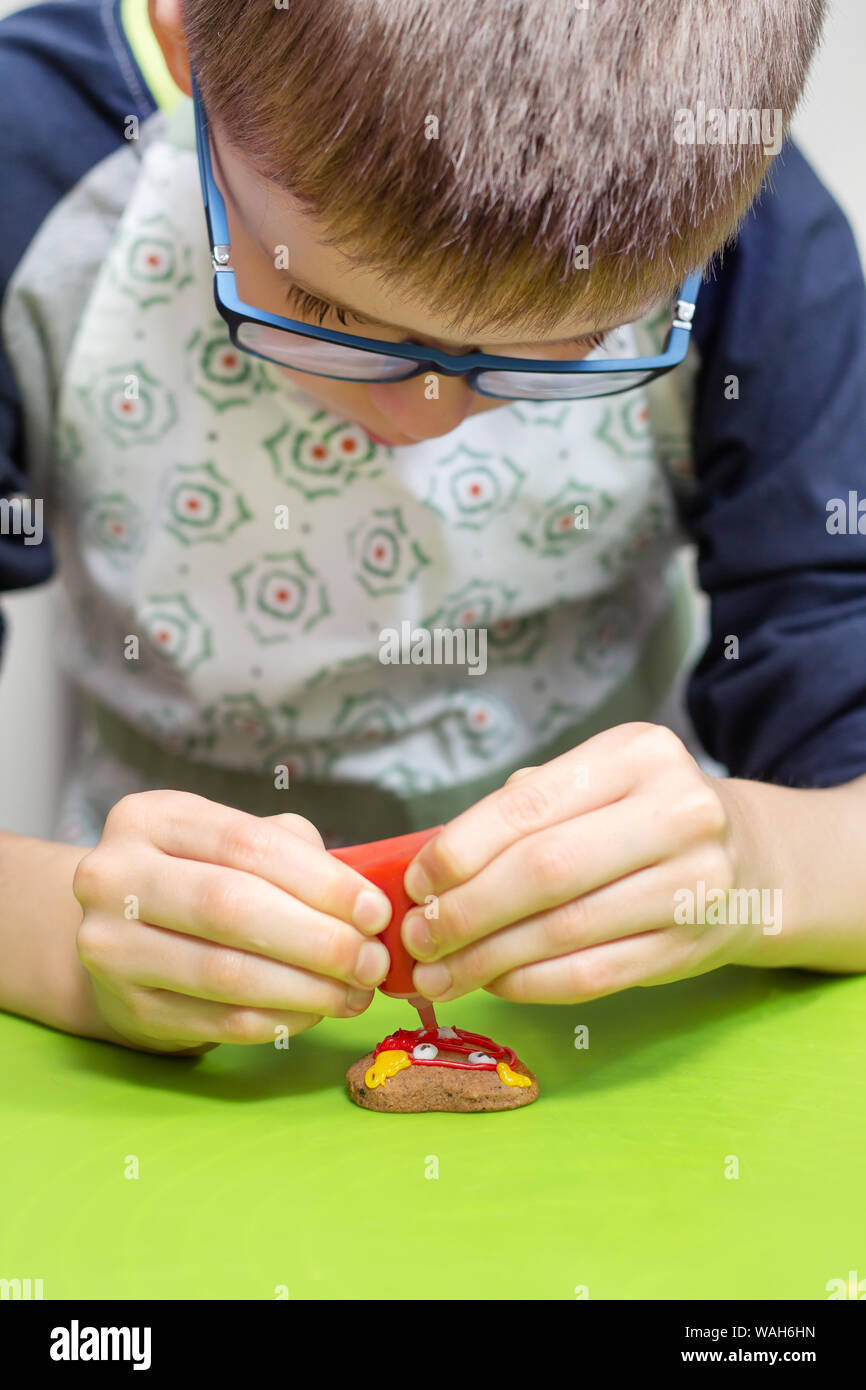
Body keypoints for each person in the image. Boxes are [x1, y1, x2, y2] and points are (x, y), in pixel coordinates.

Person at [0, 0, 864, 1057]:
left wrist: (760, 867)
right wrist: (62, 935)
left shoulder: (737, 212)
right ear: (188, 46)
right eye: (325, 313)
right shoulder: (29, 162)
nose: (425, 420)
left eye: (570, 341)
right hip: (143, 1007)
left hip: (627, 1012)